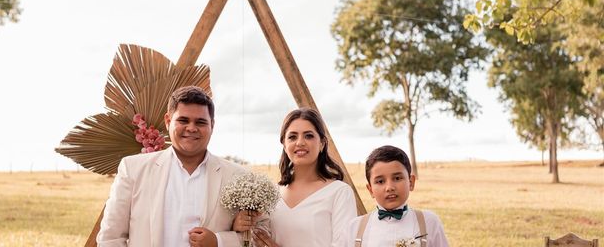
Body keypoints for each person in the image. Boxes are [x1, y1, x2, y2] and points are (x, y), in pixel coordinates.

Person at [97, 85, 266, 247]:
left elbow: (262, 234)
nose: (191, 128)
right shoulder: (133, 169)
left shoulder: (238, 176)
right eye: (183, 120)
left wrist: (219, 242)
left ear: (212, 125)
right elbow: (111, 237)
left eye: (200, 122)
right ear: (168, 120)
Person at [252, 107, 357, 247]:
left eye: (308, 136)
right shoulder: (271, 194)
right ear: (284, 144)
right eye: (292, 137)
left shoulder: (339, 192)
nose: (300, 142)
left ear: (322, 143)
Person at [335, 145, 449, 247]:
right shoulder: (354, 228)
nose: (389, 187)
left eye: (397, 178)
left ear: (411, 182)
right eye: (380, 181)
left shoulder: (429, 222)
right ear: (370, 190)